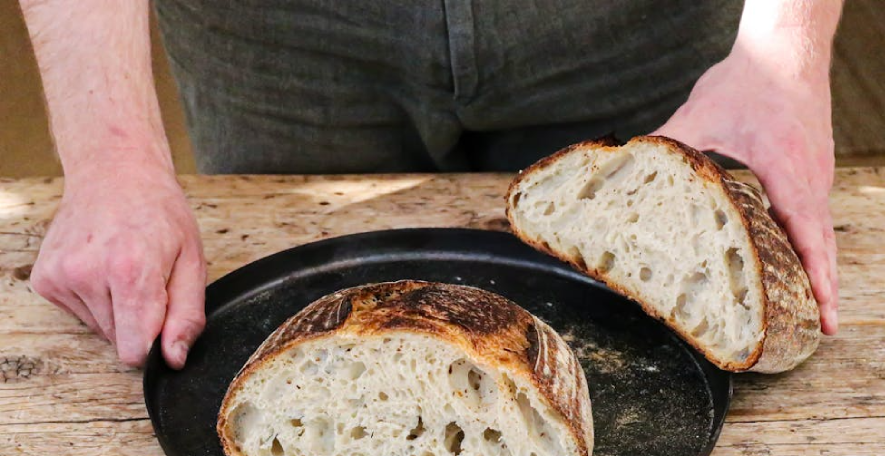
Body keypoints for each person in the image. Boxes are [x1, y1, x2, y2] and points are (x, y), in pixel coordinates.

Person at [19, 0, 842, 369]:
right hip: (275, 30)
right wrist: (110, 155)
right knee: (278, 312)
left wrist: (785, 51)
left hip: (632, 23)